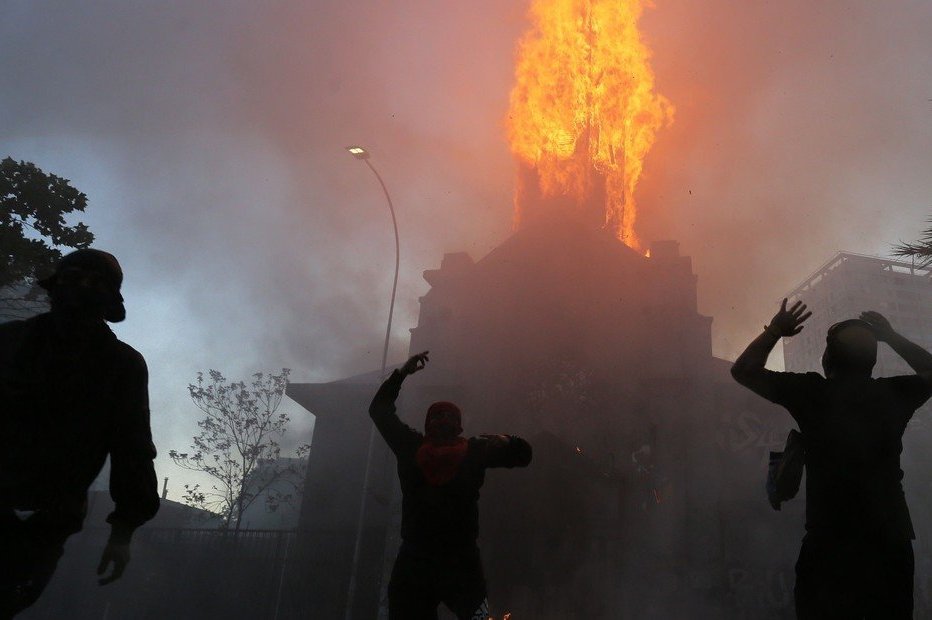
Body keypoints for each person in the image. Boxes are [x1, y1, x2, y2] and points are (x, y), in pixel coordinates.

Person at [731, 299, 932, 618]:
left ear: (828, 359)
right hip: (889, 545)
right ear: (871, 363)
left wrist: (775, 331)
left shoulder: (812, 393)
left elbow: (743, 371)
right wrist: (891, 337)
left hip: (829, 546)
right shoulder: (893, 395)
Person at [0, 249, 159, 618]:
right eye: (72, 279)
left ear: (109, 299)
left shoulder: (122, 365)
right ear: (56, 286)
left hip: (47, 520)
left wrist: (124, 529)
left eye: (94, 283)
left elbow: (132, 449)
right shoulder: (8, 342)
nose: (80, 290)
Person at [369, 351, 532, 620]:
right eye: (441, 417)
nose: (442, 422)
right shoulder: (474, 450)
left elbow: (379, 410)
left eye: (444, 417)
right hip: (456, 561)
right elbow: (524, 455)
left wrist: (402, 374)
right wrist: (506, 440)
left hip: (420, 560)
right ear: (458, 427)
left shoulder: (411, 446)